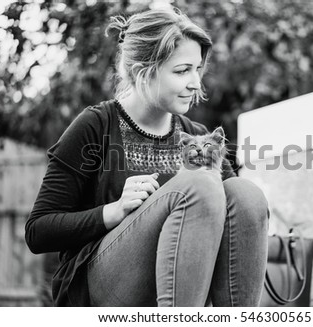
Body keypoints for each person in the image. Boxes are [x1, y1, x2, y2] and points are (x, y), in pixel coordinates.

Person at [25, 7, 269, 307]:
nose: (195, 83)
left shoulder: (197, 133)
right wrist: (114, 211)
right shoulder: (95, 125)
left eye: (198, 69)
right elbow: (38, 231)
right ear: (143, 72)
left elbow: (238, 215)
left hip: (188, 283)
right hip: (101, 286)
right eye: (182, 71)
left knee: (246, 194)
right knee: (199, 185)